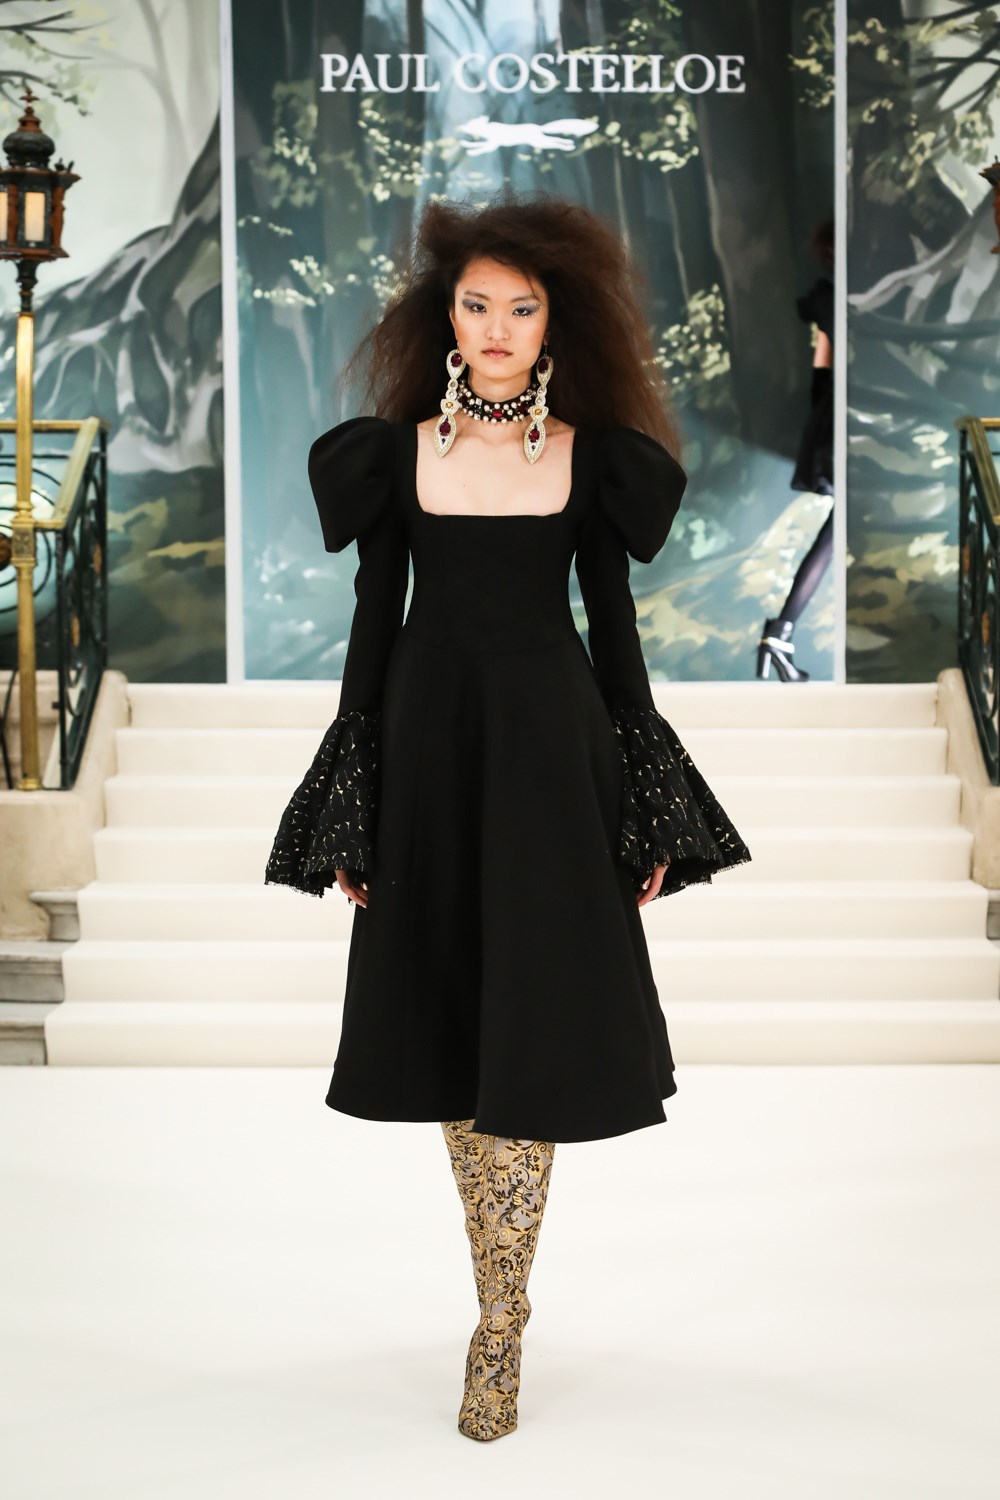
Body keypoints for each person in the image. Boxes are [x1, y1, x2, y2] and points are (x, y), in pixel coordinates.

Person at [264, 194, 752, 1441]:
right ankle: (497, 1296)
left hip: (550, 754)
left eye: (519, 309)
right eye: (475, 304)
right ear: (446, 318)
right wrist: (352, 800)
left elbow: (615, 634)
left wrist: (647, 801)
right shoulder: (392, 456)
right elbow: (373, 628)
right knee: (449, 1013)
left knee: (533, 1017)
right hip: (430, 749)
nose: (494, 328)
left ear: (552, 325)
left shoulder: (593, 459)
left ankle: (501, 1321)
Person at [757, 216, 835, 682]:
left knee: (838, 528)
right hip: (845, 420)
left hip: (833, 418)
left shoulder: (828, 300)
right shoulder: (853, 300)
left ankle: (779, 635)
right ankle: (780, 634)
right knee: (838, 529)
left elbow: (820, 367)